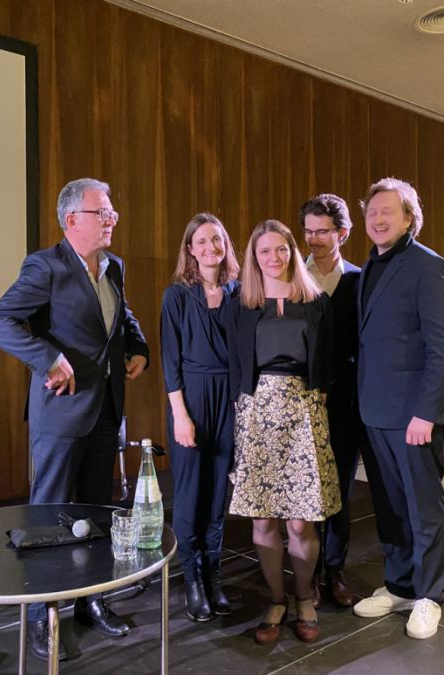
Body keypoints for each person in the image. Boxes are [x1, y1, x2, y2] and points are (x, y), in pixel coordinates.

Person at [0, 177, 149, 661]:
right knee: (48, 516)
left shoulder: (112, 266)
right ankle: (40, 615)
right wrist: (48, 358)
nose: (112, 219)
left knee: (97, 512)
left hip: (106, 410)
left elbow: (121, 319)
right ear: (73, 219)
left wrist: (138, 347)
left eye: (112, 212)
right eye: (104, 213)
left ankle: (91, 601)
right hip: (60, 412)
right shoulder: (46, 266)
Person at [351, 178, 444, 640]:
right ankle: (399, 586)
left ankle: (428, 595)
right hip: (374, 411)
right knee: (390, 507)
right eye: (372, 211)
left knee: (423, 508)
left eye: (388, 211)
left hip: (414, 416)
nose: (378, 219)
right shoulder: (370, 267)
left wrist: (426, 412)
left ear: (408, 217)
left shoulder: (428, 266)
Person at [226, 219, 341, 645]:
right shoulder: (242, 305)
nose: (273, 258)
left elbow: (326, 364)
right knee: (263, 520)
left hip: (304, 414)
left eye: (280, 249)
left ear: (293, 251)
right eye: (263, 252)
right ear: (253, 259)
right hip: (257, 415)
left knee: (301, 522)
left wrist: (316, 404)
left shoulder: (316, 303)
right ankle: (276, 598)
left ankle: (304, 596)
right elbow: (236, 366)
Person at [160, 213, 240, 622]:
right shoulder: (176, 296)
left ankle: (213, 577)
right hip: (190, 398)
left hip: (228, 399)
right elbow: (170, 362)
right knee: (191, 495)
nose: (211, 247)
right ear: (190, 249)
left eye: (218, 239)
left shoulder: (239, 293)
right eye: (202, 241)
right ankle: (191, 580)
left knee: (217, 497)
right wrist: (181, 416)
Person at [299, 193, 370, 608]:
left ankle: (334, 570)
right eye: (307, 231)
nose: (313, 239)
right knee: (303, 489)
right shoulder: (293, 277)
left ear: (343, 233)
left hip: (345, 400)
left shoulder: (360, 280)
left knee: (340, 488)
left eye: (322, 231)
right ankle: (304, 573)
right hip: (301, 399)